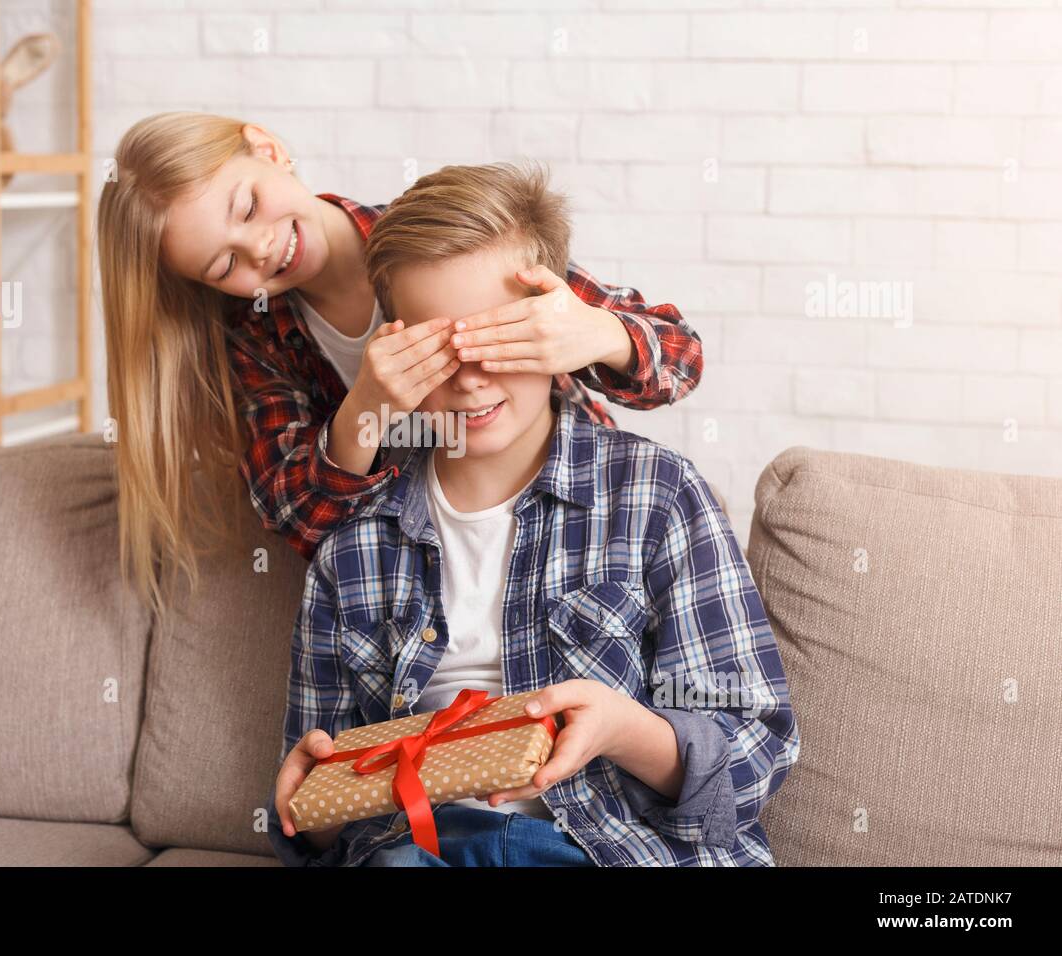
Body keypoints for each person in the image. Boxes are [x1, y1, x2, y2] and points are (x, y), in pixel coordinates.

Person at [267, 163, 799, 867]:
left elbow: (754, 752)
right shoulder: (355, 550)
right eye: (437, 347)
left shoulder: (655, 497)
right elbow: (322, 818)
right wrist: (310, 804)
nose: (471, 375)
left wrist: (621, 729)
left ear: (558, 329)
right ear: (393, 350)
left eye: (501, 339)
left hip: (608, 848)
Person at [96, 113, 704, 614]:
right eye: (225, 266)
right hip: (432, 580)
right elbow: (304, 523)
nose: (258, 248)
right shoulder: (256, 339)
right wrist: (366, 411)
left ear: (268, 148)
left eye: (248, 206)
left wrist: (595, 332)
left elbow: (680, 360)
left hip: (574, 525)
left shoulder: (440, 239)